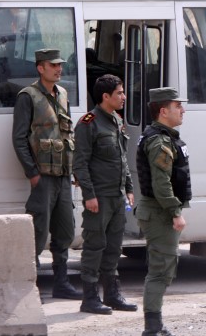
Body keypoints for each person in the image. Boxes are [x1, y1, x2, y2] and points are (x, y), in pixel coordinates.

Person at [11, 48, 82, 300]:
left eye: (60, 65)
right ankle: (30, 287)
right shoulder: (27, 96)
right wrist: (32, 173)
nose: (59, 69)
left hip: (63, 175)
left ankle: (62, 283)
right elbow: (19, 139)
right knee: (38, 232)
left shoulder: (62, 94)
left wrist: (72, 170)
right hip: (42, 176)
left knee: (65, 230)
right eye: (53, 65)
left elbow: (68, 134)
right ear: (40, 67)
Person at [72, 74, 137, 315]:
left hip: (117, 197)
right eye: (119, 93)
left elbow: (122, 159)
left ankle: (112, 295)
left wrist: (129, 189)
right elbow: (80, 164)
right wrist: (89, 195)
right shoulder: (89, 123)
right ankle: (90, 298)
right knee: (95, 246)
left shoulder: (116, 120)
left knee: (113, 247)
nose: (124, 97)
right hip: (98, 197)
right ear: (105, 96)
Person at [135, 87, 191, 336]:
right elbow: (161, 184)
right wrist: (175, 211)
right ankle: (152, 327)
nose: (182, 110)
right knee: (160, 271)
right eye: (177, 106)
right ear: (163, 110)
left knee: (163, 268)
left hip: (158, 211)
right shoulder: (159, 141)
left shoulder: (164, 137)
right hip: (159, 213)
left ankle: (155, 325)